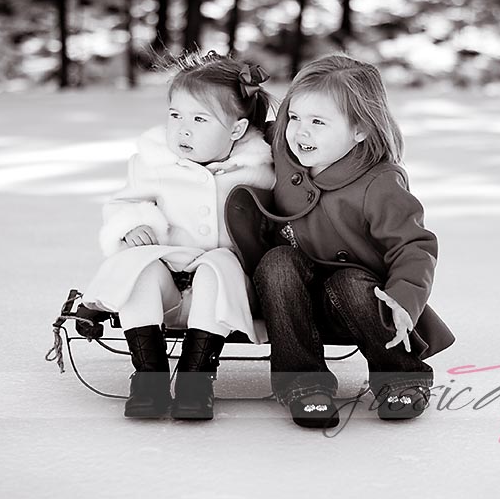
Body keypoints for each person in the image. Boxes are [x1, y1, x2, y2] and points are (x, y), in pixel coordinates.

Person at [225, 54, 455, 429]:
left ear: (360, 129)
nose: (301, 132)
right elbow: (243, 124)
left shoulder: (379, 183)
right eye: (295, 118)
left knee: (349, 281)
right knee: (278, 261)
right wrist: (234, 90)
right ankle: (302, 383)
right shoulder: (285, 151)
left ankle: (400, 376)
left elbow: (415, 246)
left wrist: (404, 297)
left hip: (354, 305)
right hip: (286, 299)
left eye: (318, 122)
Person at [78, 51, 276, 420]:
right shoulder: (155, 162)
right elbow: (125, 201)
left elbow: (278, 222)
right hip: (168, 292)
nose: (182, 129)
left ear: (236, 129)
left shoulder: (259, 169)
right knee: (141, 267)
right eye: (175, 116)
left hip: (225, 299)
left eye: (200, 119)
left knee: (218, 265)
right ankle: (148, 377)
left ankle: (195, 379)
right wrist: (135, 225)